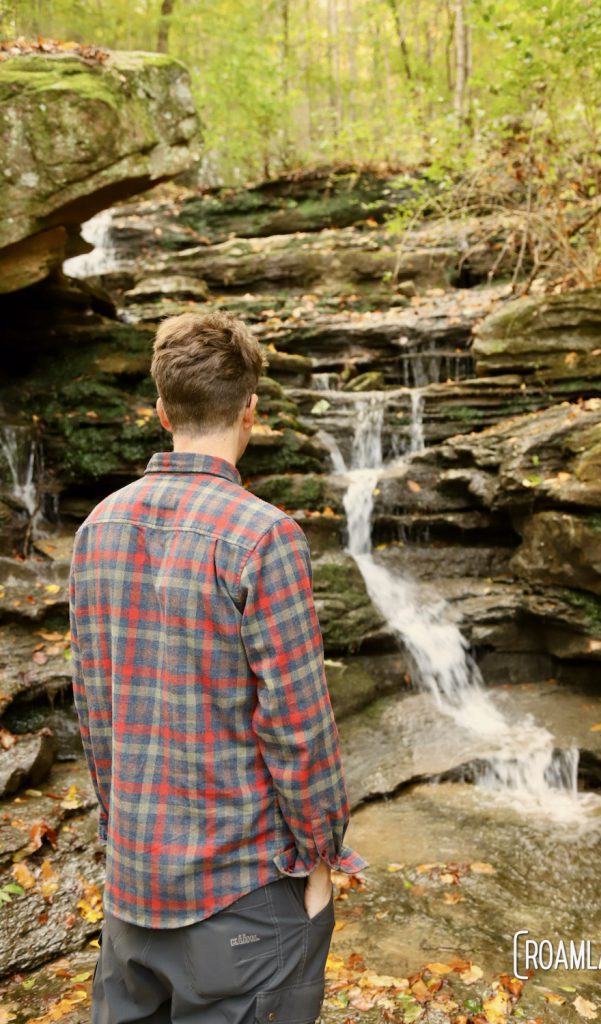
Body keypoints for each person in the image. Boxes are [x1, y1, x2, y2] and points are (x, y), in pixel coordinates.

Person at [68, 311, 368, 1024]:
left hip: (132, 890)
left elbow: (93, 713)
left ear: (161, 410)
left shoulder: (96, 529)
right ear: (251, 414)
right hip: (241, 898)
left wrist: (125, 837)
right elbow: (298, 728)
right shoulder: (262, 537)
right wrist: (322, 858)